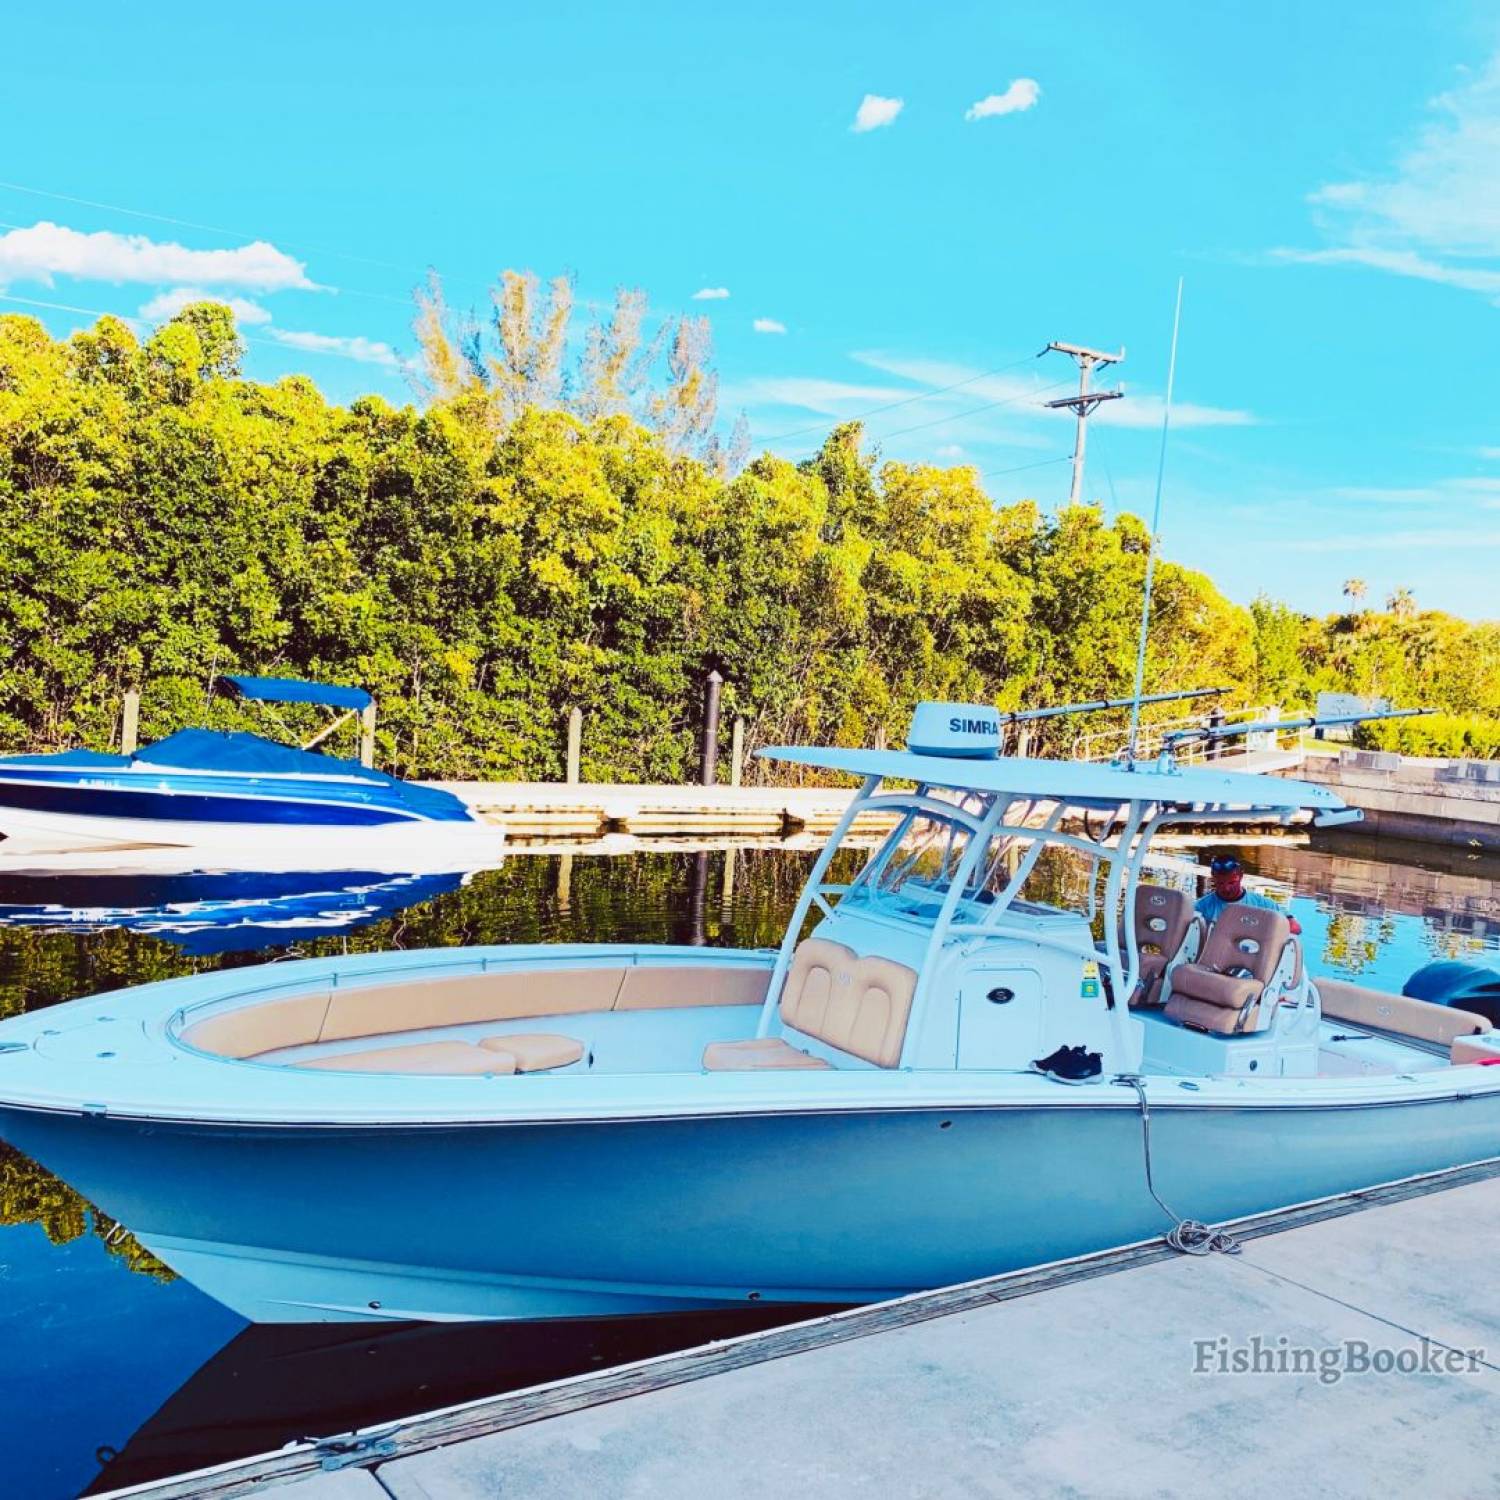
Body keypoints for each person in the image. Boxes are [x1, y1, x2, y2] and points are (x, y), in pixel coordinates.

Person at [1196, 853, 1302, 934]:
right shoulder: (1201, 907)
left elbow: (1295, 927)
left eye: (1232, 882)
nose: (1226, 888)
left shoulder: (1262, 904)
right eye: (1220, 883)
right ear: (1213, 878)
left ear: (1241, 876)